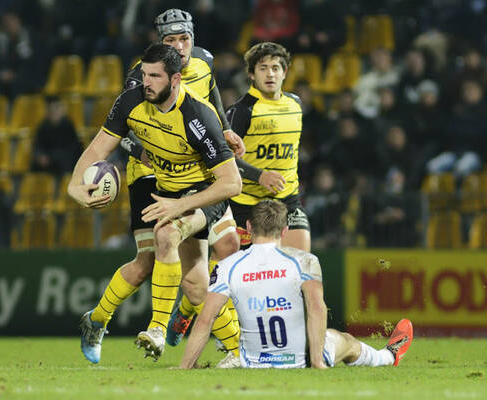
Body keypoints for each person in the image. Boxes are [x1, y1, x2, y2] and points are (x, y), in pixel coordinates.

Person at [79, 9, 245, 365]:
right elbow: (114, 139)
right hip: (150, 173)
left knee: (211, 252)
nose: (179, 46)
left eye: (184, 39)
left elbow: (212, 103)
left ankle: (190, 322)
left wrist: (223, 130)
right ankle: (98, 320)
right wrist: (142, 150)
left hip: (198, 175)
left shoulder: (202, 68)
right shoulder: (139, 84)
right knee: (147, 262)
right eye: (171, 40)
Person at [180, 199, 414, 369]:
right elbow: (316, 308)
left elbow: (205, 320)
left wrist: (185, 367)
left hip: (252, 361)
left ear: (249, 228)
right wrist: (316, 362)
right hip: (299, 359)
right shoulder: (304, 261)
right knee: (347, 341)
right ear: (284, 231)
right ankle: (388, 356)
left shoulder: (227, 266)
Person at [225, 42, 311, 254]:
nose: (270, 74)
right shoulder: (241, 111)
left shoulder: (296, 104)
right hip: (247, 202)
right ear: (252, 75)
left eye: (275, 68)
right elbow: (224, 158)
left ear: (285, 72)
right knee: (245, 277)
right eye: (263, 68)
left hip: (288, 200)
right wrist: (259, 176)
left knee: (302, 270)